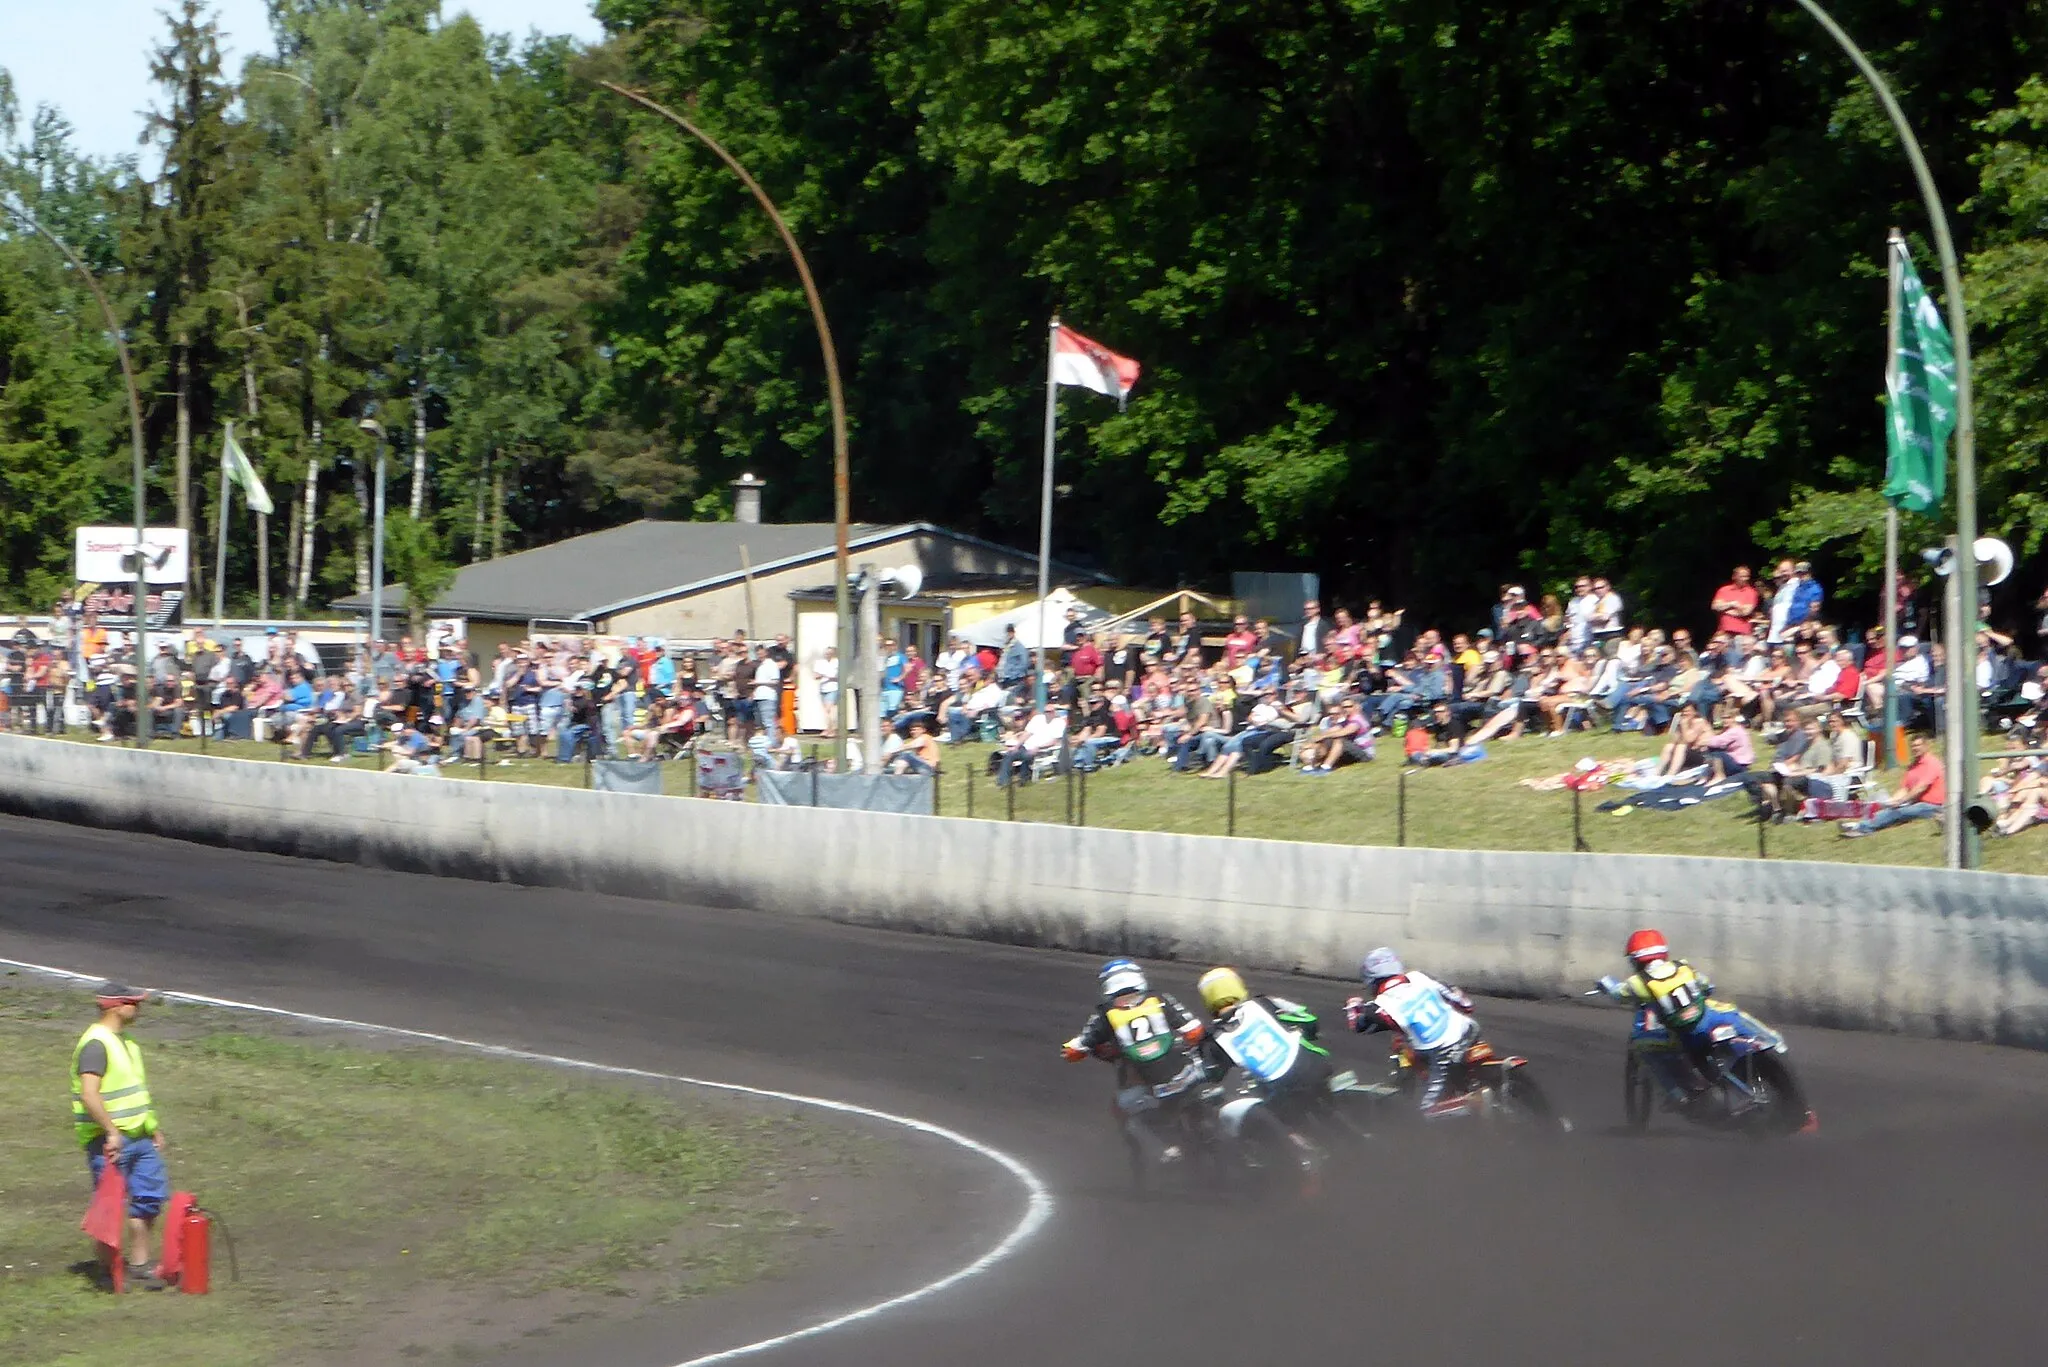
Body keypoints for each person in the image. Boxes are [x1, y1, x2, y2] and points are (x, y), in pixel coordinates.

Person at [1061, 960, 1212, 1166]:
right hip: (1186, 1071)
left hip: (1154, 1085)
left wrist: (1070, 1050)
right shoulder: (1159, 999)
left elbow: (1077, 1048)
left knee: (1127, 1115)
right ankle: (1211, 1119)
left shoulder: (1105, 1013)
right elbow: (1194, 1029)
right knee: (1206, 1081)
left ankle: (1165, 1150)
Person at [72, 983, 171, 1291]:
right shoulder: (96, 1044)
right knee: (109, 1207)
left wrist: (151, 1126)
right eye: (133, 1003)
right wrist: (112, 1132)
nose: (138, 1008)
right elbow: (90, 1095)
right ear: (115, 1006)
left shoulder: (127, 1043)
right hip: (110, 1142)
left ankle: (140, 1266)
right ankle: (108, 1271)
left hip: (140, 1137)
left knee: (148, 1199)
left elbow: (134, 1092)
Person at [1344, 947, 1480, 1117]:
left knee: (1429, 1110)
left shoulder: (1380, 1006)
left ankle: (1476, 1102)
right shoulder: (1420, 976)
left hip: (1445, 1053)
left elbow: (1357, 1025)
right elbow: (1464, 1003)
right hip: (1469, 1029)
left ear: (1372, 980)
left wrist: (1353, 1006)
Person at [1596, 929, 1726, 1099]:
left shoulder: (1639, 982)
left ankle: (1678, 1095)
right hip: (1709, 1019)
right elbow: (1707, 985)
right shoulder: (1682, 966)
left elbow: (1619, 994)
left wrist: (1605, 983)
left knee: (1645, 1047)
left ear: (1636, 960)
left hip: (1682, 1031)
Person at [1196, 966, 1331, 1101]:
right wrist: (1309, 1033)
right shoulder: (1264, 1003)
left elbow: (1214, 1073)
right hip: (1316, 1065)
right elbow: (1309, 1020)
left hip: (1281, 1094)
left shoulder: (1214, 1039)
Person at [1841, 733, 1945, 838]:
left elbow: (1921, 788)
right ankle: (1856, 825)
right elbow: (1905, 788)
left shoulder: (1932, 763)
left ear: (1926, 746)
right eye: (1913, 746)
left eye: (1918, 745)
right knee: (1884, 807)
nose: (1915, 748)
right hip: (1915, 802)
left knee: (1897, 811)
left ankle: (1863, 828)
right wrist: (1892, 802)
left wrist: (1901, 801)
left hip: (1932, 806)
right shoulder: (1913, 766)